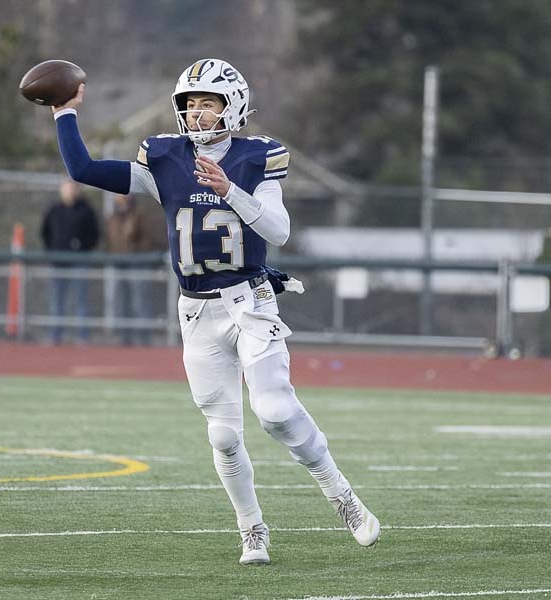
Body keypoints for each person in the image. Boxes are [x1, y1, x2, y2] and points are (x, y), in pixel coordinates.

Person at [49, 58, 380, 564]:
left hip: (250, 300)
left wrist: (229, 190)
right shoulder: (164, 158)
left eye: (209, 103)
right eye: (190, 104)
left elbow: (279, 230)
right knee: (224, 435)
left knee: (273, 411)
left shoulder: (257, 157)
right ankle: (252, 530)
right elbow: (85, 170)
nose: (198, 113)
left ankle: (343, 498)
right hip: (197, 312)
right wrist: (63, 112)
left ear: (234, 107)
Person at [40, 179, 99, 344]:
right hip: (58, 263)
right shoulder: (54, 210)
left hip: (79, 262)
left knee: (81, 300)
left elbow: (94, 234)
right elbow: (45, 233)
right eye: (68, 187)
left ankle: (82, 336)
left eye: (74, 187)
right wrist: (52, 252)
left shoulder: (86, 210)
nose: (71, 190)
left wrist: (83, 249)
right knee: (56, 301)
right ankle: (55, 335)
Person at [105, 194, 159, 345]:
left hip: (137, 264)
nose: (121, 197)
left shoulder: (139, 214)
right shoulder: (113, 216)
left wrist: (134, 251)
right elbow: (108, 240)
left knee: (140, 301)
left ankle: (144, 337)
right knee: (119, 300)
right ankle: (123, 336)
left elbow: (148, 239)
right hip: (117, 264)